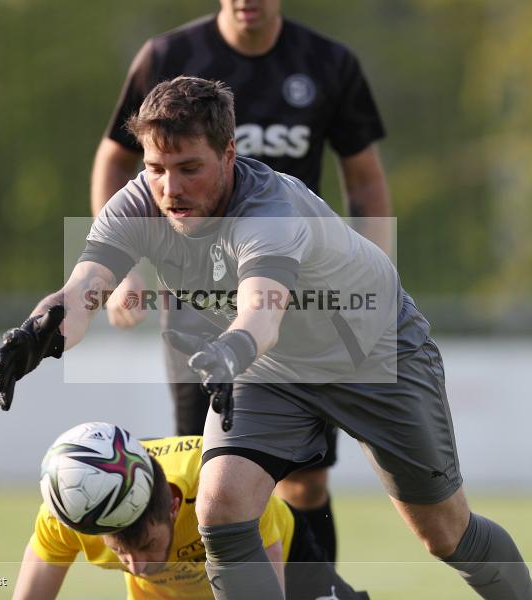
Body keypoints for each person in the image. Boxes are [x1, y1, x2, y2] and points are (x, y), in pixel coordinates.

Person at [0, 77, 532, 599]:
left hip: (373, 352)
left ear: (229, 155)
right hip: (267, 367)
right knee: (221, 505)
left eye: (189, 168)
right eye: (156, 168)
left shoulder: (269, 212)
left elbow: (262, 311)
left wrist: (229, 351)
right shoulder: (138, 204)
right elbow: (86, 287)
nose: (170, 189)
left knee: (447, 535)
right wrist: (41, 330)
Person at [90, 0, 392, 562]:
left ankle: (315, 590)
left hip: (298, 308)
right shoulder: (167, 56)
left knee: (303, 479)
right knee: (205, 466)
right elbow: (115, 160)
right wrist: (130, 265)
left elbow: (366, 182)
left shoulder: (329, 63)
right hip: (195, 303)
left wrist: (367, 291)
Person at [12, 423, 368, 599]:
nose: (139, 567)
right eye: (120, 552)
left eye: (149, 544)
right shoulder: (71, 515)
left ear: (172, 505)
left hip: (286, 561)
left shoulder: (221, 484)